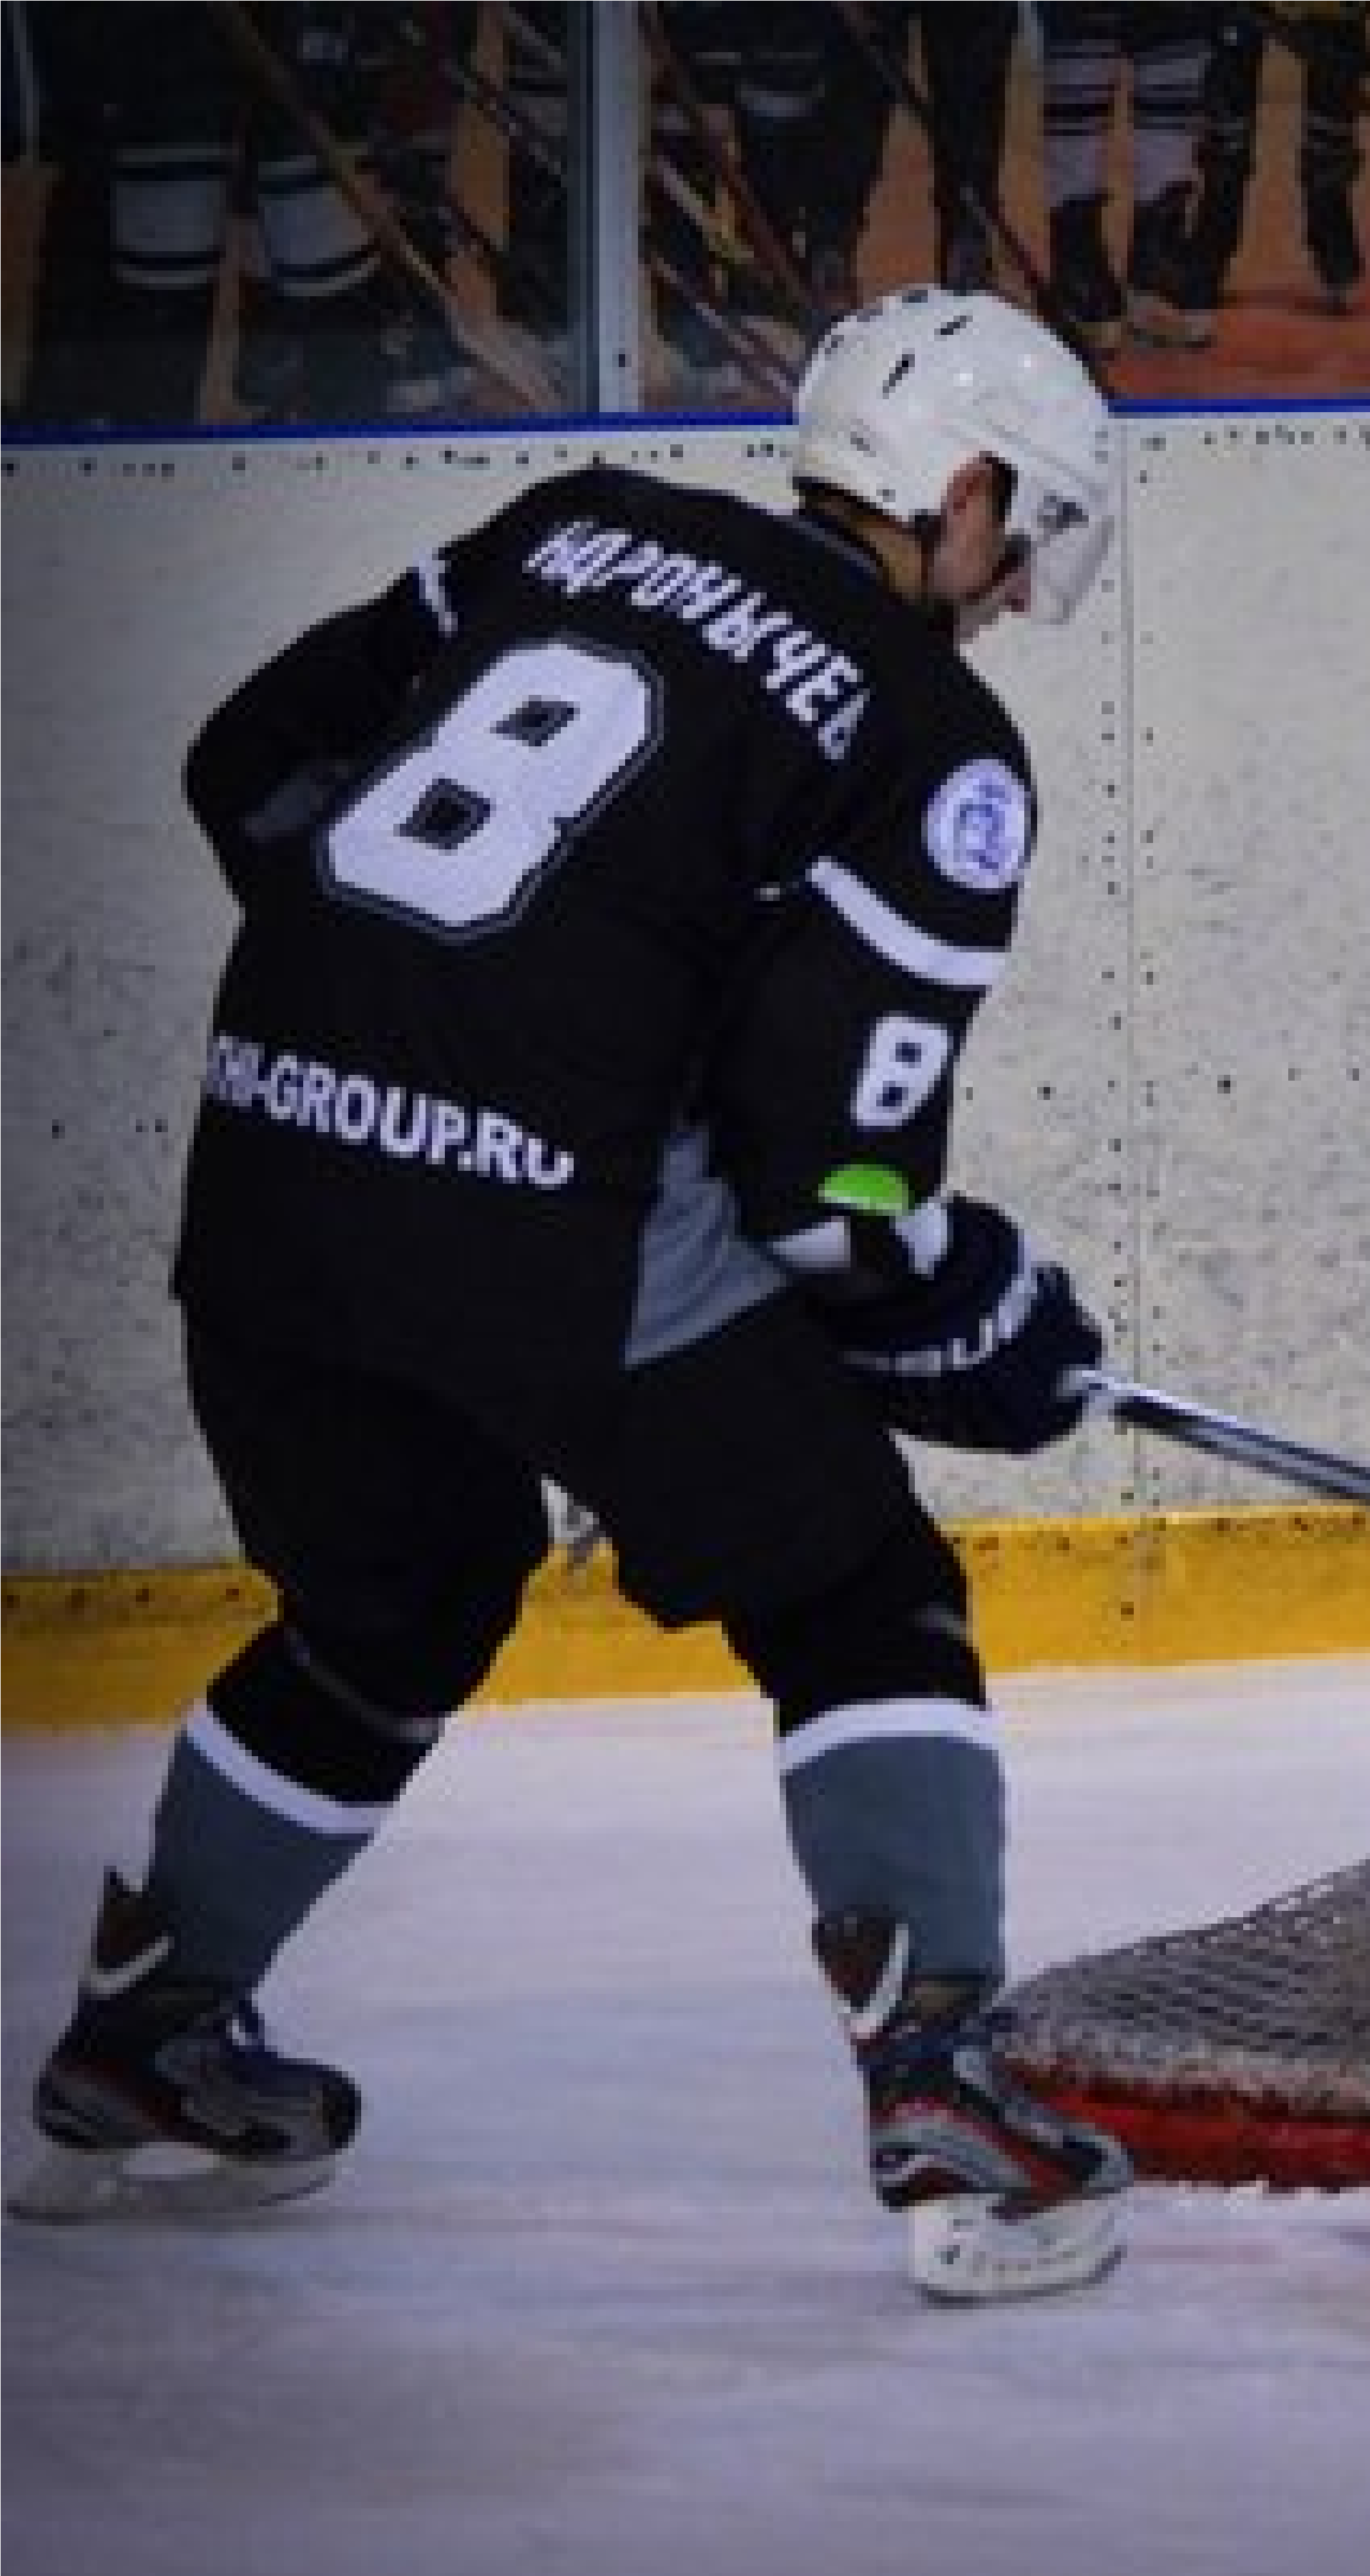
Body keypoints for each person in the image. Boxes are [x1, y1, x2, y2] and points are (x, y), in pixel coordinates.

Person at [8, 286, 1138, 2306]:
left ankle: (143, 2043)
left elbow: (247, 756)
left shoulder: (571, 521)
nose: (1004, 596)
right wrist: (993, 1331)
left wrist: (424, 1022)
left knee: (393, 1609)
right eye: (1020, 538)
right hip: (560, 1220)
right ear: (959, 496)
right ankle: (948, 2085)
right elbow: (834, 1203)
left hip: (272, 1168)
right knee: (857, 1591)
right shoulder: (934, 739)